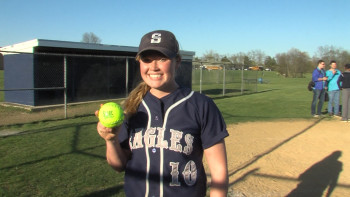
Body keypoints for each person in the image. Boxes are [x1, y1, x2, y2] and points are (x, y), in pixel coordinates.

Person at [96, 30, 229, 197]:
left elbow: (219, 172)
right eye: (147, 59)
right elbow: (118, 165)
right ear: (140, 63)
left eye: (162, 58)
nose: (154, 66)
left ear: (177, 61)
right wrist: (111, 140)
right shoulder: (132, 107)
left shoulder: (201, 105)